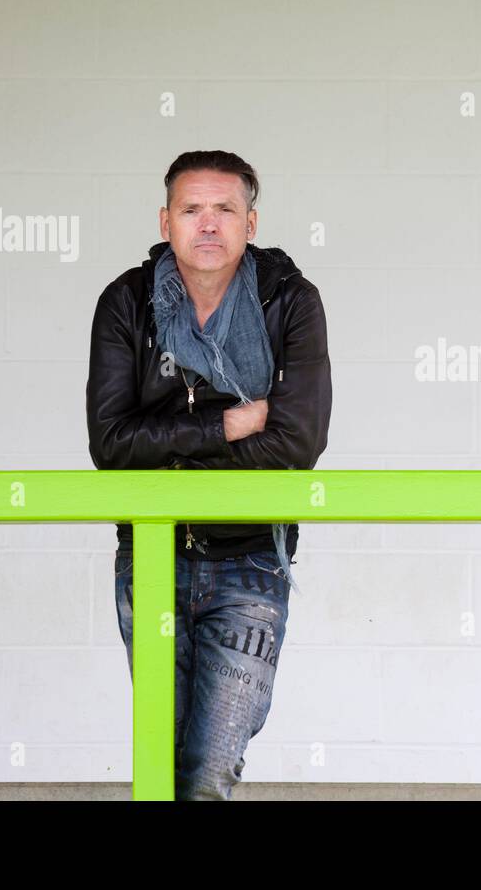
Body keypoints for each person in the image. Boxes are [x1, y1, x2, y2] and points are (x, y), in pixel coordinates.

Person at [86, 149, 332, 799]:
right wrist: (226, 425)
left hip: (250, 554)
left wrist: (167, 449)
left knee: (211, 768)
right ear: (165, 220)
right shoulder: (127, 302)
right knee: (161, 762)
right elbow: (111, 443)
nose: (208, 224)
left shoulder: (288, 300)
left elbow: (298, 440)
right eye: (192, 209)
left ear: (252, 222)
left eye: (225, 209)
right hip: (151, 551)